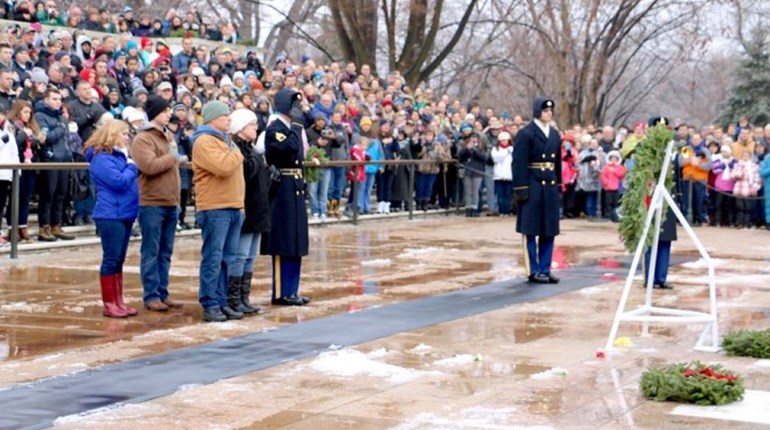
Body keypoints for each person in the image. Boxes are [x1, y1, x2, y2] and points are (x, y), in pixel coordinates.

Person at [191, 101, 246, 322]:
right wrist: (237, 152)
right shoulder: (204, 141)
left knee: (227, 258)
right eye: (225, 116)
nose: (229, 119)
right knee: (213, 258)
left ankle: (222, 301)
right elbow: (223, 167)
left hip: (233, 206)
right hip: (215, 208)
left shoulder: (225, 141)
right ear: (213, 118)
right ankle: (210, 303)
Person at [131, 95, 186, 311]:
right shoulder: (143, 139)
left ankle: (163, 291)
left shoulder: (167, 135)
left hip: (171, 201)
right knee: (151, 251)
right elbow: (149, 166)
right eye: (165, 111)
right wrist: (173, 158)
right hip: (152, 202)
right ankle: (151, 294)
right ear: (155, 113)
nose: (169, 114)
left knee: (165, 251)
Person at [85, 119, 138, 318]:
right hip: (110, 214)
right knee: (111, 258)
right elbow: (119, 182)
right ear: (113, 134)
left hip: (123, 212)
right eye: (124, 133)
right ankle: (110, 304)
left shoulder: (120, 156)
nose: (127, 137)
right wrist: (132, 167)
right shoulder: (102, 158)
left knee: (119, 259)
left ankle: (118, 301)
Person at [264, 88, 311, 306]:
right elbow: (289, 150)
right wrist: (296, 126)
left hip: (295, 188)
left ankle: (292, 290)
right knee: (283, 242)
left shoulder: (291, 128)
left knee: (295, 241)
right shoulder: (275, 129)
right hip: (282, 190)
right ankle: (281, 292)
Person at [512, 97, 562, 284]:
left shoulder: (555, 134)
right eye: (545, 110)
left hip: (548, 185)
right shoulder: (526, 133)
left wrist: (558, 185)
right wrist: (521, 189)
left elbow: (556, 162)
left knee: (549, 230)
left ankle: (545, 268)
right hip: (532, 183)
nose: (549, 112)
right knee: (531, 229)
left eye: (551, 110)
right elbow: (518, 162)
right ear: (537, 111)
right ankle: (533, 270)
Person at [230, 109, 269, 315]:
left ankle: (244, 297)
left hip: (257, 206)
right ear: (240, 128)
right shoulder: (237, 148)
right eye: (251, 125)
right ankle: (234, 298)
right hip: (246, 205)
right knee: (240, 255)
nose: (256, 128)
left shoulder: (252, 149)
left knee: (250, 256)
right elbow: (246, 171)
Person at [34, 88, 75, 241]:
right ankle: (44, 226)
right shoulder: (40, 115)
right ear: (46, 99)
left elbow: (66, 139)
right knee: (48, 194)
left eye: (59, 99)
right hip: (50, 159)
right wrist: (60, 127)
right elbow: (48, 137)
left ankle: (56, 225)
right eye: (54, 99)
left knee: (61, 193)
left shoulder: (61, 118)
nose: (58, 102)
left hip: (64, 158)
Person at [0, 104, 18, 245]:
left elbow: (13, 149)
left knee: (1, 204)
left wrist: (17, 169)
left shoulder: (8, 128)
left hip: (6, 173)